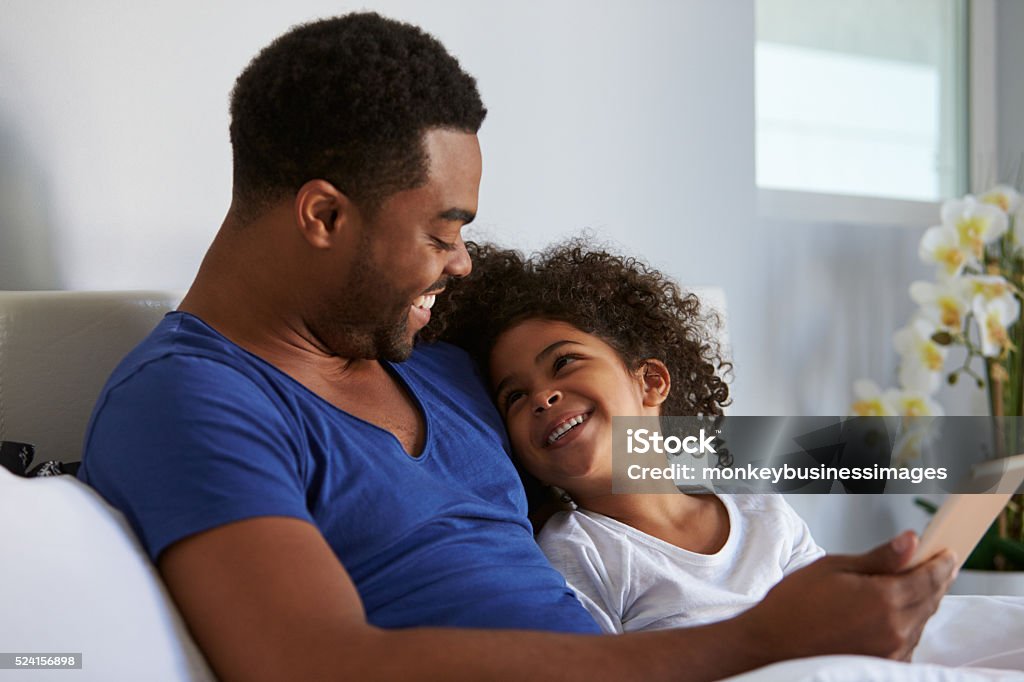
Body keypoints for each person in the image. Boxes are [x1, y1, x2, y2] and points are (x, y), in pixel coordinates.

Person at [78, 12, 956, 682]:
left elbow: (668, 446)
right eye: (442, 231)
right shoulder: (191, 401)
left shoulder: (458, 372)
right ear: (323, 215)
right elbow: (321, 664)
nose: (460, 263)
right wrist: (755, 640)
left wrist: (956, 465)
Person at [426, 240, 827, 633]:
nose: (542, 398)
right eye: (514, 396)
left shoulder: (762, 511)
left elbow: (840, 625)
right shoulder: (578, 550)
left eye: (564, 362)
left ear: (651, 381)